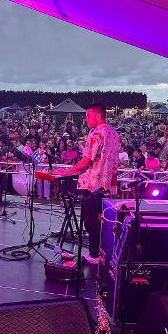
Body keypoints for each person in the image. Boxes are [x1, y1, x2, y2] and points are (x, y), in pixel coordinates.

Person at [54, 103, 119, 265]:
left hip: (93, 185)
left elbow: (86, 161)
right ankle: (103, 253)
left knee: (91, 222)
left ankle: (94, 255)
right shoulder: (113, 133)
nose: (86, 119)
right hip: (107, 185)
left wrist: (66, 172)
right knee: (103, 221)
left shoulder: (96, 134)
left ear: (98, 116)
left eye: (88, 116)